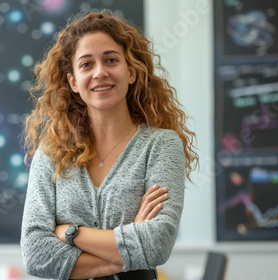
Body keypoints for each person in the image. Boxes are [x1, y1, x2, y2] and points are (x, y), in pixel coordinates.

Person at [20, 10, 198, 280]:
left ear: (131, 72)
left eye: (111, 60)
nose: (100, 72)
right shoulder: (51, 154)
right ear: (73, 82)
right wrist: (129, 255)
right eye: (86, 64)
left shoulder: (161, 145)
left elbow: (157, 246)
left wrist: (70, 233)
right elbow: (35, 255)